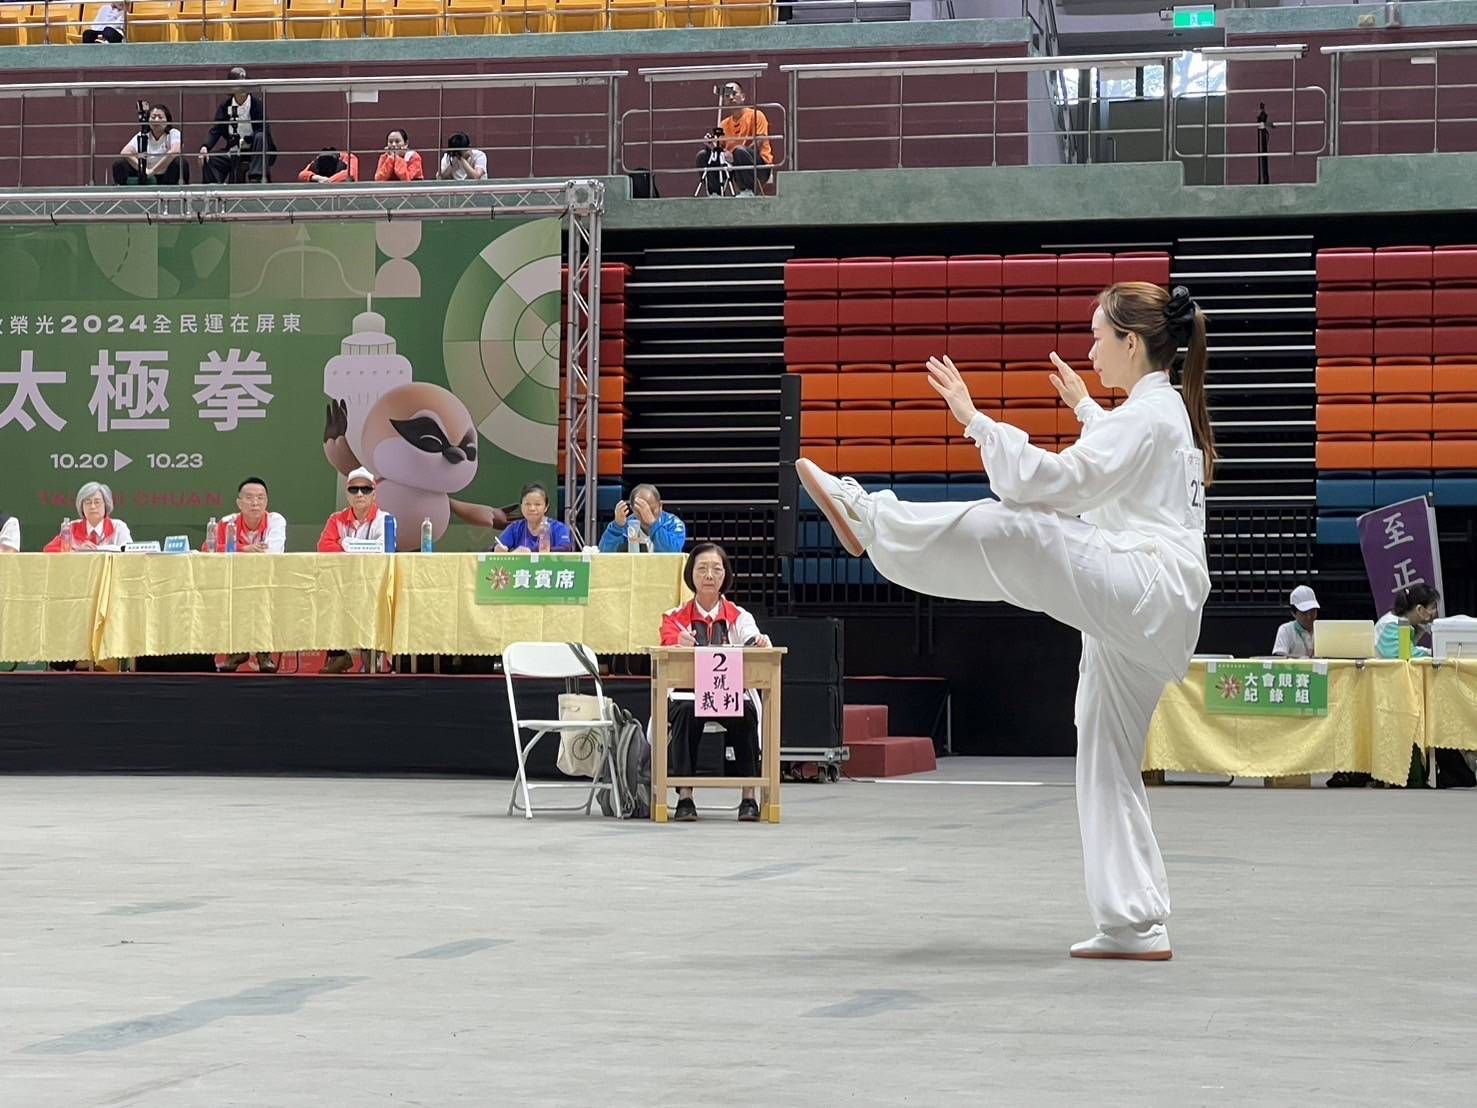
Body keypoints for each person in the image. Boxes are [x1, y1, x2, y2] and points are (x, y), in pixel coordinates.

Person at [799, 283, 1216, 962]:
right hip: (1155, 610)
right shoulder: (1161, 413)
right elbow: (1118, 457)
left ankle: (872, 515)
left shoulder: (1152, 417)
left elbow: (1052, 483)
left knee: (1017, 527)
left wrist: (972, 418)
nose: (1089, 349)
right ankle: (1134, 922)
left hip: (1145, 588)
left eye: (1097, 336)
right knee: (1107, 762)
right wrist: (1082, 404)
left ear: (1130, 343)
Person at [659, 543, 772, 823]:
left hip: (727, 696)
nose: (709, 575)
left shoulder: (739, 616)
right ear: (691, 575)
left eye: (716, 569)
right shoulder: (675, 617)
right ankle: (685, 796)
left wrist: (759, 642)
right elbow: (665, 643)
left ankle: (749, 797)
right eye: (702, 568)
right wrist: (678, 642)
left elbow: (751, 638)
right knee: (684, 714)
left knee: (746, 713)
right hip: (688, 698)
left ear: (725, 575)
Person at [317, 468, 393, 675]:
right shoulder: (336, 519)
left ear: (374, 493)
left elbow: (382, 549)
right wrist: (357, 546)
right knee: (328, 597)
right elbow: (324, 547)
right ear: (347, 493)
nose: (359, 494)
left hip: (374, 584)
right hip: (342, 584)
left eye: (365, 489)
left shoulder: (385, 519)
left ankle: (372, 657)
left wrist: (345, 543)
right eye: (354, 489)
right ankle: (338, 656)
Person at [209, 477, 287, 674]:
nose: (255, 503)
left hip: (267, 581)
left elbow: (273, 552)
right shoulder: (228, 522)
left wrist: (236, 550)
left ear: (266, 501)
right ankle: (236, 651)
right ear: (239, 503)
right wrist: (247, 548)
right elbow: (209, 549)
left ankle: (264, 653)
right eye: (250, 498)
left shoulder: (276, 520)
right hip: (234, 580)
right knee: (229, 597)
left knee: (262, 597)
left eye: (260, 498)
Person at [199, 67, 276, 184]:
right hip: (233, 148)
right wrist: (205, 146)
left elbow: (263, 128)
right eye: (239, 84)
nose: (243, 87)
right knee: (211, 159)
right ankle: (212, 190)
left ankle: (256, 177)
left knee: (261, 136)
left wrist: (246, 140)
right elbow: (217, 129)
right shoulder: (225, 106)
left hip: (254, 148)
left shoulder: (257, 104)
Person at [715, 81, 773, 197]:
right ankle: (714, 193)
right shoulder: (722, 124)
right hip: (733, 167)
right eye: (727, 95)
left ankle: (748, 191)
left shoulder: (756, 115)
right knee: (704, 155)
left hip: (759, 165)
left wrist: (734, 156)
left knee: (740, 151)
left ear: (743, 97)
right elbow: (719, 148)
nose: (731, 98)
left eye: (734, 93)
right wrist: (713, 148)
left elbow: (759, 143)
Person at [44, 482, 135, 552]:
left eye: (97, 502)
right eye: (88, 502)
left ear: (106, 505)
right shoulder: (71, 527)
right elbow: (49, 550)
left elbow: (130, 553)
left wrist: (98, 550)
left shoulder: (118, 526)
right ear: (81, 507)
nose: (92, 506)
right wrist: (77, 552)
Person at [597, 484, 686, 553]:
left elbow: (672, 552)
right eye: (640, 510)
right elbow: (604, 553)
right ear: (632, 509)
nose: (645, 514)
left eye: (651, 509)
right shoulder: (625, 525)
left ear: (660, 506)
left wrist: (653, 523)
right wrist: (617, 527)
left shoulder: (673, 523)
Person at [112, 103, 181, 186]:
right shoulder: (143, 135)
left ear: (167, 121)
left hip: (165, 172)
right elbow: (125, 152)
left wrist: (153, 171)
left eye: (160, 117)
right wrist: (143, 169)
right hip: (146, 172)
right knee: (119, 163)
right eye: (153, 117)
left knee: (179, 163)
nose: (156, 120)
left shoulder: (173, 133)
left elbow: (175, 151)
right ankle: (121, 194)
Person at [493, 482, 573, 553]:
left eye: (537, 504)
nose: (532, 508)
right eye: (527, 504)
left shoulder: (558, 527)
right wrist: (498, 548)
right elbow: (499, 545)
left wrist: (531, 552)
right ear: (521, 506)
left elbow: (565, 548)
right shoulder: (515, 528)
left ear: (546, 507)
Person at [1271, 585, 1319, 658]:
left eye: (1312, 611)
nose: (1309, 617)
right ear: (1293, 613)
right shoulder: (1286, 630)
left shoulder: (1322, 630)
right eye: (1304, 613)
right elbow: (1280, 657)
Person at [1256, 102, 1273, 185]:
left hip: (1263, 133)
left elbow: (1269, 124)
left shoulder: (1263, 115)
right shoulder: (1261, 115)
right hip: (1262, 133)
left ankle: (1265, 180)